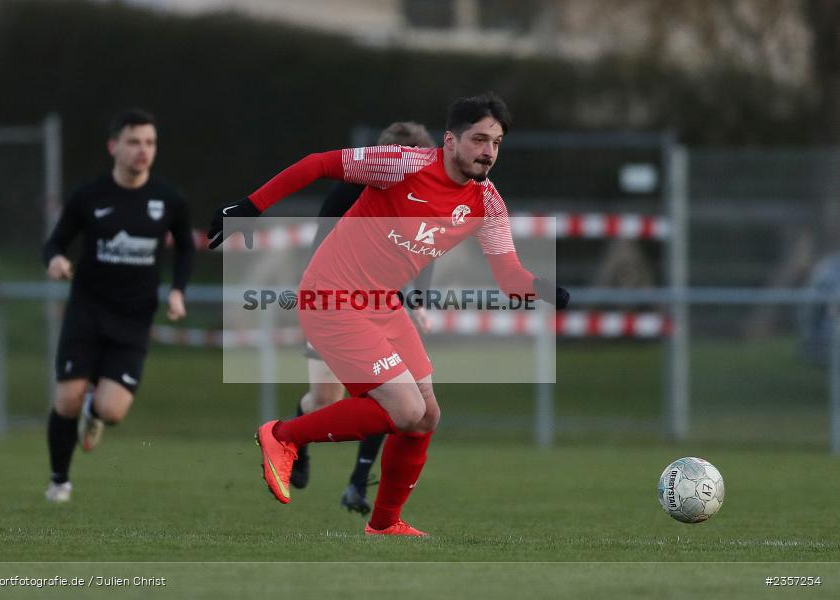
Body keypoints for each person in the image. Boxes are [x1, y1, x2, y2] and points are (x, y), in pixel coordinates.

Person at [209, 93, 568, 536]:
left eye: (495, 143)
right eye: (478, 139)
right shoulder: (403, 165)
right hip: (332, 296)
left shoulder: (487, 201)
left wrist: (541, 288)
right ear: (451, 140)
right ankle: (283, 437)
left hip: (381, 302)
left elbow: (509, 274)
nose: (487, 152)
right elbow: (320, 163)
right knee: (402, 408)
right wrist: (252, 207)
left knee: (426, 415)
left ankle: (383, 523)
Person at [42, 109, 194, 502]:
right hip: (87, 312)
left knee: (112, 412)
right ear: (114, 147)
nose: (143, 150)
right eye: (133, 142)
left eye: (150, 142)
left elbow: (186, 250)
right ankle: (60, 480)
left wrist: (178, 291)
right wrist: (55, 260)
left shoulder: (169, 200)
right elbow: (54, 242)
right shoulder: (89, 197)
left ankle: (95, 412)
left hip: (133, 319)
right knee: (66, 398)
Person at [290, 122, 436, 516]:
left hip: (380, 310)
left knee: (391, 397)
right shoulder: (349, 192)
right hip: (334, 306)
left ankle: (357, 483)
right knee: (325, 401)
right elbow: (319, 252)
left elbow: (425, 249)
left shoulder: (423, 195)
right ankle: (294, 437)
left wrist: (419, 301)